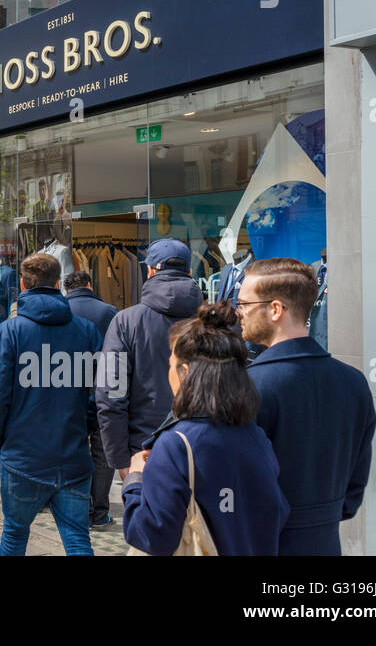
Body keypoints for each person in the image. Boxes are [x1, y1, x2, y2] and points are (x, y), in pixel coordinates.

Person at [122, 301, 290, 555]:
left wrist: (135, 481)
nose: (169, 373)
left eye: (170, 365)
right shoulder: (255, 436)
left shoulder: (175, 444)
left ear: (185, 373)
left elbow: (151, 535)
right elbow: (277, 514)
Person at [241, 258, 376, 555]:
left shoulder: (248, 386)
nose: (240, 313)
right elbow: (354, 486)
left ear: (275, 309)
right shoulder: (354, 382)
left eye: (245, 304)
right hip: (325, 542)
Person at [0, 252, 103, 556]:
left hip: (23, 458)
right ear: (58, 283)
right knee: (77, 539)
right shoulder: (86, 331)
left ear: (22, 284)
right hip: (73, 456)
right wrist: (86, 428)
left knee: (14, 534)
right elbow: (104, 393)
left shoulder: (9, 332)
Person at [96, 238, 204, 481]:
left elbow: (111, 395)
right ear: (189, 272)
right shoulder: (213, 321)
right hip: (204, 447)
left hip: (145, 453)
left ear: (150, 271)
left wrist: (119, 460)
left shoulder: (127, 321)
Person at [63, 270, 120, 528]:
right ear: (89, 284)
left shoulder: (60, 310)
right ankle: (99, 512)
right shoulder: (108, 311)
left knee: (74, 451)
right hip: (101, 390)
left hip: (66, 391)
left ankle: (77, 509)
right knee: (102, 451)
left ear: (67, 289)